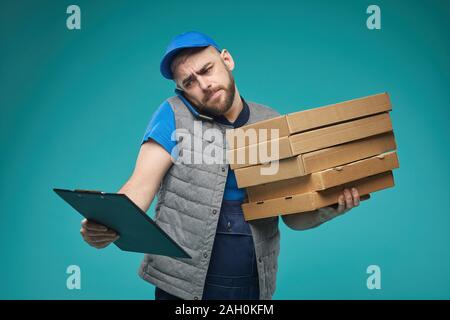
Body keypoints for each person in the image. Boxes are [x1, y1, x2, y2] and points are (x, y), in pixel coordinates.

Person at [79, 31, 361, 300]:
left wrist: (327, 208)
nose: (203, 85)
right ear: (182, 91)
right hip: (179, 287)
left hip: (252, 286)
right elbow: (139, 187)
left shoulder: (271, 122)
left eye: (206, 69)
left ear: (227, 60)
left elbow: (293, 217)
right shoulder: (173, 114)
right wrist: (104, 223)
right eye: (189, 82)